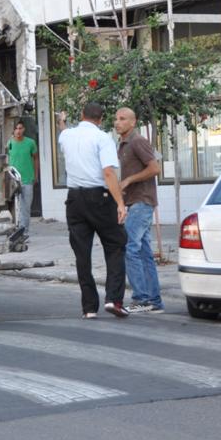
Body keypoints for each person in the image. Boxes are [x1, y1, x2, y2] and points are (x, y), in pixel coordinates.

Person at [57, 103, 129, 319]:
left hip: (75, 200)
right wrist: (120, 203)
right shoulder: (102, 138)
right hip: (100, 197)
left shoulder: (67, 136)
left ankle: (88, 308)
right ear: (101, 119)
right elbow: (108, 173)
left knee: (82, 254)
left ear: (81, 115)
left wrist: (61, 120)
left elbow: (63, 132)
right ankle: (113, 299)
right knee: (116, 244)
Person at [113, 107, 164, 314]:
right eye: (116, 119)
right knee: (144, 252)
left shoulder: (137, 141)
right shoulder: (123, 144)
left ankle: (141, 298)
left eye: (122, 119)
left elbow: (155, 168)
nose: (117, 122)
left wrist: (129, 180)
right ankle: (154, 301)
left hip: (143, 200)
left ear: (133, 122)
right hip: (133, 201)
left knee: (129, 247)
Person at [6, 120, 38, 238]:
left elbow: (35, 159)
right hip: (13, 180)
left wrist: (36, 175)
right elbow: (6, 159)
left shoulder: (31, 143)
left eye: (20, 128)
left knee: (26, 207)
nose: (18, 131)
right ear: (13, 131)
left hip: (27, 178)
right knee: (14, 207)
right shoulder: (9, 143)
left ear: (24, 129)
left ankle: (25, 232)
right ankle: (14, 231)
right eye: (16, 129)